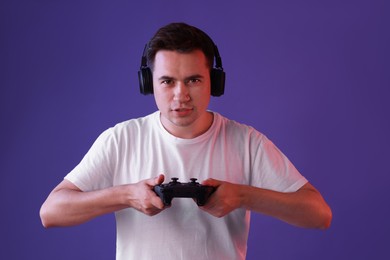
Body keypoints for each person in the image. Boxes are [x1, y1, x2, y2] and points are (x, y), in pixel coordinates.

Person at [40, 22, 332, 260]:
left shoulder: (247, 142)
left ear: (214, 82)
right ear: (148, 83)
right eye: (167, 81)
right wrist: (126, 195)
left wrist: (244, 196)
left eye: (193, 80)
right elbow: (51, 212)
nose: (181, 95)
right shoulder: (121, 139)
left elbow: (319, 214)